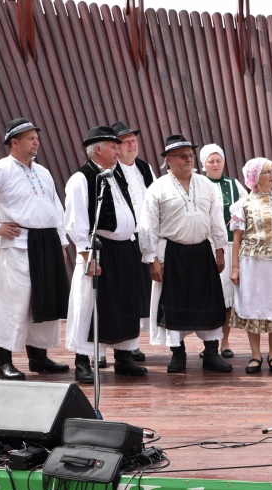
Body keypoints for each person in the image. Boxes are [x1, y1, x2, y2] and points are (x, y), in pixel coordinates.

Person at [0, 118, 70, 380]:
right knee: (11, 303)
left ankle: (38, 358)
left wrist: (62, 242)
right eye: (31, 138)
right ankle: (2, 364)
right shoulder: (1, 169)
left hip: (46, 243)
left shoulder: (42, 172)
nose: (36, 141)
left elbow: (56, 207)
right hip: (17, 244)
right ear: (15, 142)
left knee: (42, 299)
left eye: (36, 137)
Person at [138, 134, 232, 374]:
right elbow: (148, 226)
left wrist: (220, 251)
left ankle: (211, 353)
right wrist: (152, 260)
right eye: (183, 156)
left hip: (202, 251)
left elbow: (217, 220)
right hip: (172, 253)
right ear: (169, 159)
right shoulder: (157, 188)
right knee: (173, 304)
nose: (188, 159)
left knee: (208, 302)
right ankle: (178, 354)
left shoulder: (207, 185)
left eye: (190, 155)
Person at [65, 126, 146, 381]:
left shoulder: (114, 174)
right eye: (113, 146)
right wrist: (88, 256)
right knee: (91, 305)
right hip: (100, 249)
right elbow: (75, 220)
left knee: (123, 303)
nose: (118, 150)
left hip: (125, 248)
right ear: (97, 149)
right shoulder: (82, 178)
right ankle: (82, 362)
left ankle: (124, 357)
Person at [229, 158, 272, 373]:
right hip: (252, 261)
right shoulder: (243, 204)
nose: (271, 175)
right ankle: (255, 355)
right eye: (266, 172)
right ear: (254, 178)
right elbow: (237, 238)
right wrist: (235, 267)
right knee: (254, 304)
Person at [111, 120, 156, 367]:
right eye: (126, 141)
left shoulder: (144, 167)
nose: (132, 144)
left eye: (133, 140)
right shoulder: (111, 169)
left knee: (141, 292)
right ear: (115, 147)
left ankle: (133, 343)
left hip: (144, 237)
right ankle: (109, 349)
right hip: (122, 239)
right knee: (123, 292)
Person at [199, 144, 248, 361]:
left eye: (219, 160)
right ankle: (209, 343)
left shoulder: (234, 184)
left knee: (227, 298)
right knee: (209, 296)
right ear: (204, 165)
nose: (216, 164)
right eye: (211, 161)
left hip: (229, 246)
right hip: (205, 247)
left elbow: (246, 209)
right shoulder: (198, 184)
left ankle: (225, 341)